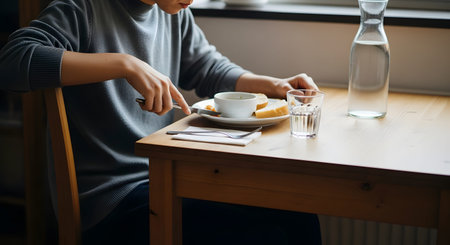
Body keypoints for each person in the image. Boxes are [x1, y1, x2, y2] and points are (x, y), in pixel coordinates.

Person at [0, 0, 321, 244]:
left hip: (165, 177)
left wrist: (273, 85)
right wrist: (124, 64)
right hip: (109, 203)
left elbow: (207, 67)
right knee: (275, 227)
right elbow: (12, 61)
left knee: (295, 207)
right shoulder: (82, 8)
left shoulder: (173, 13)